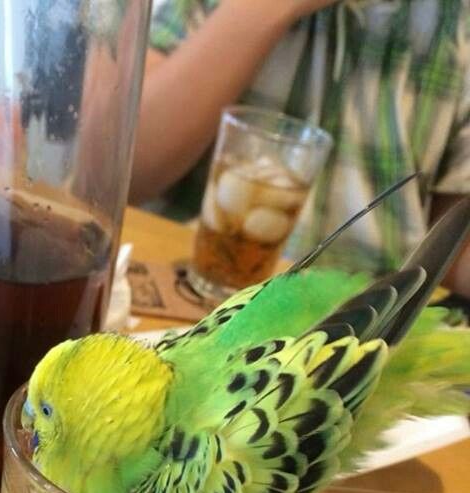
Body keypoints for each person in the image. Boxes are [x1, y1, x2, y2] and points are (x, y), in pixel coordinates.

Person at [131, 0, 470, 295]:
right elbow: (130, 173)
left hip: (363, 319)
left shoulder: (456, 26)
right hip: (183, 293)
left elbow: (452, 242)